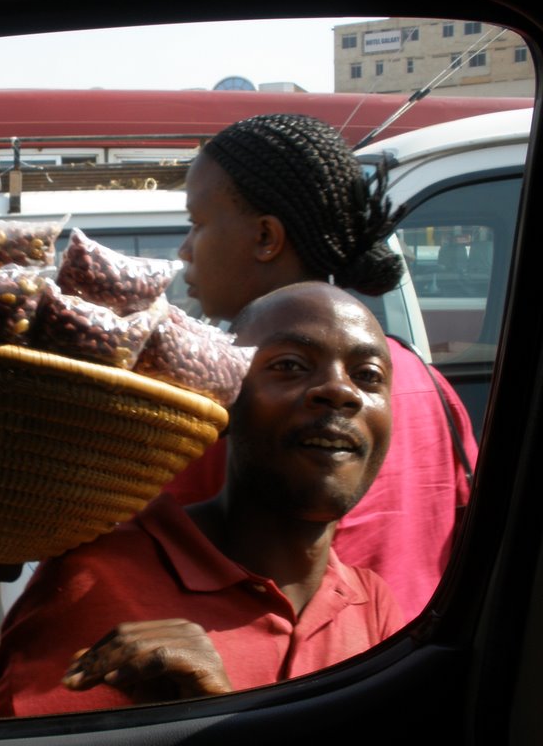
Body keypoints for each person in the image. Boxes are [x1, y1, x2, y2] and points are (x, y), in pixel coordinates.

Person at [0, 282, 403, 721]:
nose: (340, 391)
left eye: (368, 376)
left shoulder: (374, 610)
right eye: (290, 365)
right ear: (224, 405)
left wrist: (218, 719)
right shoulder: (100, 579)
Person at [164, 113, 478, 623]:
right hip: (413, 678)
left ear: (266, 237)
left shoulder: (218, 393)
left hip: (279, 693)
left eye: (197, 224)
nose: (184, 250)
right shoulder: (427, 382)